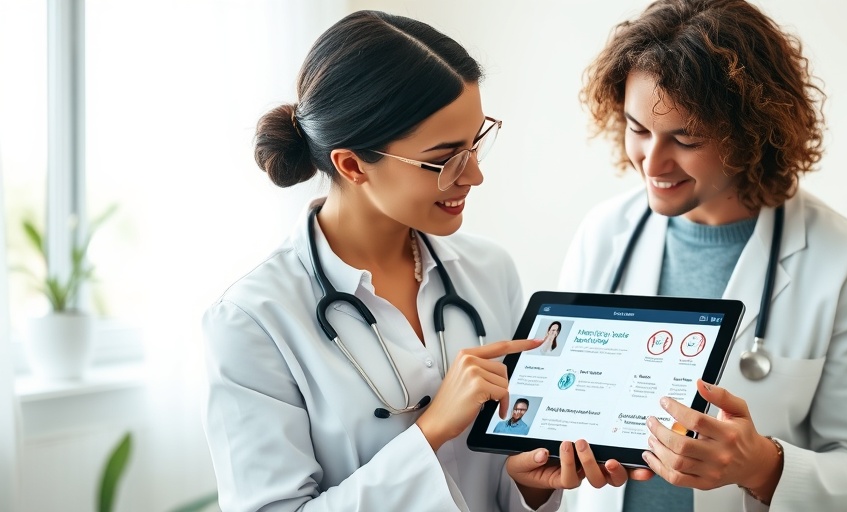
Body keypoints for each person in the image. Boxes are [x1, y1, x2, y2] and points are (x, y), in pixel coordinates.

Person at [201, 11, 631, 512]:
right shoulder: (253, 320)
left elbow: (503, 481)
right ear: (353, 164)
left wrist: (531, 485)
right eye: (446, 158)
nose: (473, 176)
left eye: (476, 144)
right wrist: (430, 432)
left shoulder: (489, 271)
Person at [557, 1, 847, 511]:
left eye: (686, 138)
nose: (651, 162)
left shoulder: (846, 259)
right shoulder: (604, 232)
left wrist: (762, 466)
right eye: (638, 129)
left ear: (751, 133)